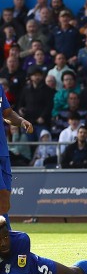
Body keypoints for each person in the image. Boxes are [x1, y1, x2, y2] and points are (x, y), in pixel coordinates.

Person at [1, 82, 33, 224]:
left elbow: (7, 113)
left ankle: (6, 239)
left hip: (2, 152)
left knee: (4, 203)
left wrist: (20, 121)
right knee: (1, 195)